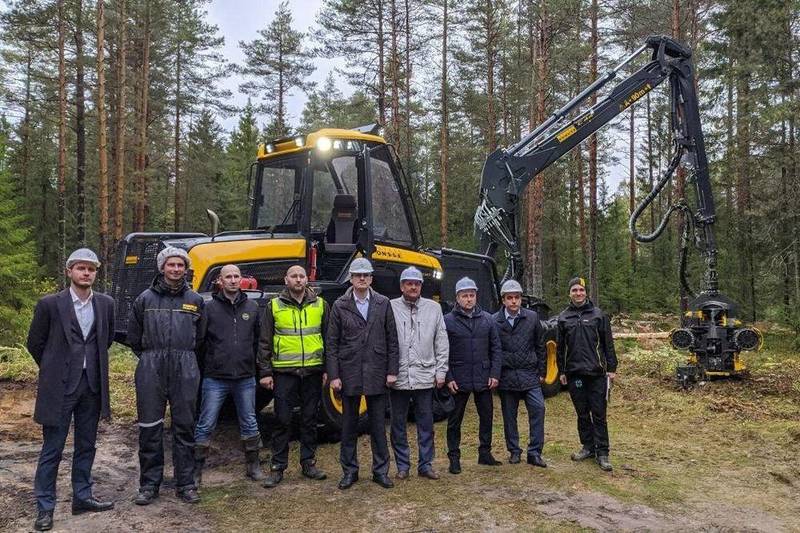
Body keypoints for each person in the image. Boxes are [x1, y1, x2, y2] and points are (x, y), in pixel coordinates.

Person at [26, 248, 115, 531]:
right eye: (81, 268)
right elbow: (35, 343)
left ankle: (82, 496)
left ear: (96, 273)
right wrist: (56, 368)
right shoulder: (50, 304)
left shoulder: (106, 304)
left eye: (91, 269)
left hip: (91, 386)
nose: (86, 273)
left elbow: (106, 340)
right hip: (59, 389)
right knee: (52, 449)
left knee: (87, 445)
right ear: (69, 271)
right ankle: (45, 508)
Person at [128, 246, 204, 505]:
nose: (175, 269)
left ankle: (186, 484)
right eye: (171, 265)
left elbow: (201, 338)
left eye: (180, 265)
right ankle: (149, 485)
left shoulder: (195, 300)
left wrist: (185, 359)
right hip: (152, 365)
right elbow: (134, 338)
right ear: (162, 268)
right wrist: (151, 357)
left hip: (186, 365)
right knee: (150, 428)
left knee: (184, 427)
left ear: (185, 269)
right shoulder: (144, 300)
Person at [326, 257, 399, 490]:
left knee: (378, 426)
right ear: (351, 278)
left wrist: (392, 371)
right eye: (358, 275)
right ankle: (349, 471)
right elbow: (332, 344)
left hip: (377, 371)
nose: (362, 279)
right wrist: (334, 375)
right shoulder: (339, 305)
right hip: (349, 372)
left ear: (371, 279)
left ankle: (381, 471)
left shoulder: (383, 302)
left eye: (366, 275)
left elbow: (392, 340)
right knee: (348, 426)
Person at [193, 264, 265, 486]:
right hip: (215, 378)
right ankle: (195, 472)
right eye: (228, 277)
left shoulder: (252, 308)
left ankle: (253, 466)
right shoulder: (209, 308)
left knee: (250, 423)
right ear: (220, 282)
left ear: (241, 280)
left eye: (236, 276)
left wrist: (258, 369)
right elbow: (200, 342)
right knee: (205, 423)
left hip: (245, 377)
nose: (233, 280)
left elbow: (259, 342)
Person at [258, 265, 329, 487]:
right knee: (282, 420)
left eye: (301, 276)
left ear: (306, 280)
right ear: (286, 280)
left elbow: (329, 340)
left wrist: (328, 369)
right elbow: (264, 342)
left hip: (313, 371)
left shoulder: (321, 305)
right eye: (294, 276)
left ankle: (308, 463)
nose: (298, 280)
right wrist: (265, 372)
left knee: (309, 419)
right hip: (284, 373)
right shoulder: (274, 306)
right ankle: (278, 467)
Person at [389, 266, 449, 480]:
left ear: (421, 286)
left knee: (426, 424)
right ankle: (402, 465)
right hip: (399, 377)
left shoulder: (434, 309)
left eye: (416, 283)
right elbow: (386, 341)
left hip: (425, 375)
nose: (413, 286)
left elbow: (441, 341)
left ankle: (426, 464)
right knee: (398, 424)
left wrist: (441, 371)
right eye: (408, 283)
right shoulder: (390, 307)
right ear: (402, 286)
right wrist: (389, 371)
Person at [557, 277, 618, 472]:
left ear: (586, 293)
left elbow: (608, 343)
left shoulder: (598, 315)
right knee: (582, 413)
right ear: (570, 293)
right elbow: (560, 348)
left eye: (581, 290)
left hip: (596, 373)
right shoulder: (563, 318)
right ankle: (588, 447)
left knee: (599, 414)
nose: (578, 293)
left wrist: (612, 368)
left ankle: (603, 453)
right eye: (574, 290)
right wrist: (561, 371)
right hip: (575, 375)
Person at [444, 277, 503, 474]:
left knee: (486, 417)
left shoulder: (488, 319)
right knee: (454, 421)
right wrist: (449, 377)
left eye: (471, 295)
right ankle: (454, 457)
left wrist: (495, 373)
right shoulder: (447, 321)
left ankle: (485, 453)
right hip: (458, 378)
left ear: (476, 296)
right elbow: (442, 352)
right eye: (464, 296)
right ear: (457, 298)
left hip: (483, 377)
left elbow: (496, 348)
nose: (469, 299)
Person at [494, 279, 548, 468]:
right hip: (506, 376)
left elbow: (540, 346)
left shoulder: (532, 318)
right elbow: (492, 350)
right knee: (509, 416)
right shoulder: (495, 321)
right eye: (510, 298)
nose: (514, 301)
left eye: (517, 297)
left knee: (539, 409)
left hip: (529, 374)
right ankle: (514, 451)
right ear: (503, 300)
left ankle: (535, 453)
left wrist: (542, 371)